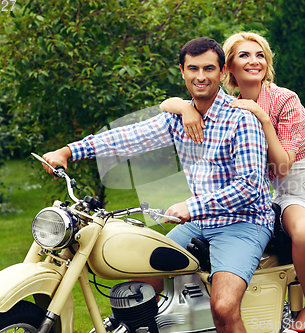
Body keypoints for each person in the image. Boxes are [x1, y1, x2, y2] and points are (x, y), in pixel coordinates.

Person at [41, 37, 274, 333]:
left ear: (222, 71)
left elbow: (250, 186)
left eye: (208, 69)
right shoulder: (178, 119)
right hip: (200, 221)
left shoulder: (242, 119)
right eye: (193, 69)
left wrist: (192, 205)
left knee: (224, 307)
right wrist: (69, 151)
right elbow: (128, 137)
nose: (200, 76)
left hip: (243, 222)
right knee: (135, 285)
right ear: (182, 71)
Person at [160, 32, 305, 333]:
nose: (254, 61)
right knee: (304, 230)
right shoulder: (229, 107)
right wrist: (184, 107)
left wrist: (263, 117)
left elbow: (282, 165)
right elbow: (168, 104)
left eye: (260, 55)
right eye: (244, 55)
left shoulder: (285, 99)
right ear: (228, 67)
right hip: (290, 194)